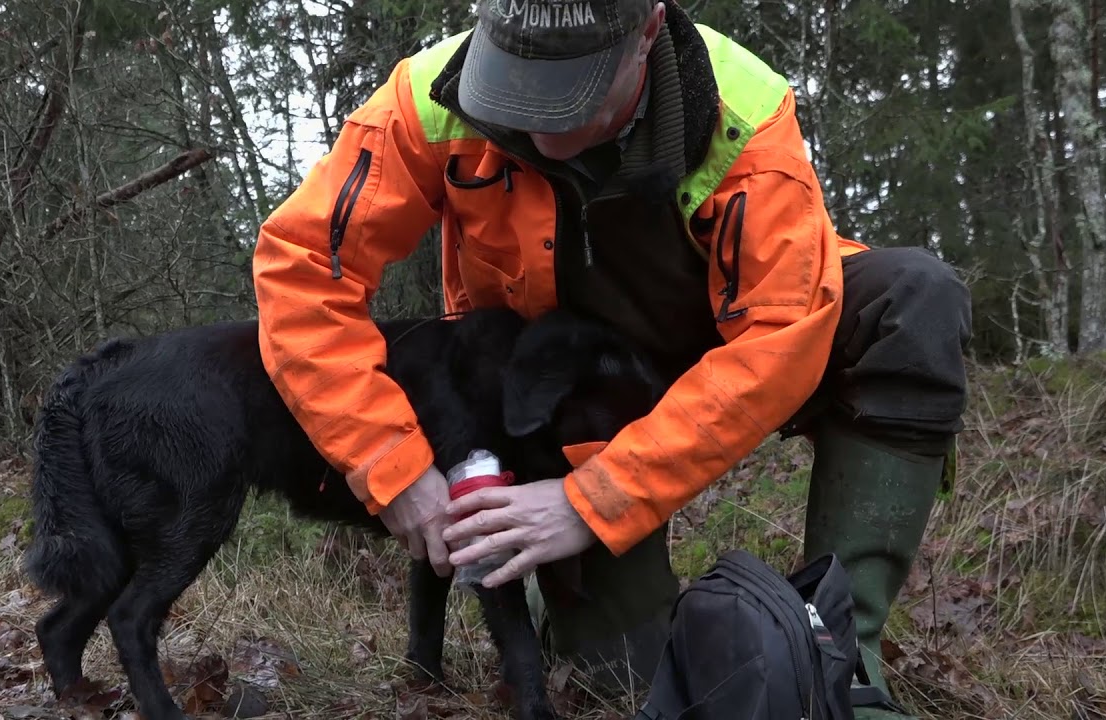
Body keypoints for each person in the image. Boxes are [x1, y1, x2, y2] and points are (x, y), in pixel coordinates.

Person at [251, 1, 972, 717]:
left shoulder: (744, 111)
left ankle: (842, 652)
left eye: (572, 95)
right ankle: (563, 599)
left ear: (647, 31)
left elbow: (780, 331)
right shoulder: (425, 101)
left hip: (736, 339)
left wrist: (593, 502)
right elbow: (304, 268)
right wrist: (390, 463)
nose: (537, 126)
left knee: (912, 298)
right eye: (513, 88)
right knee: (624, 678)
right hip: (570, 388)